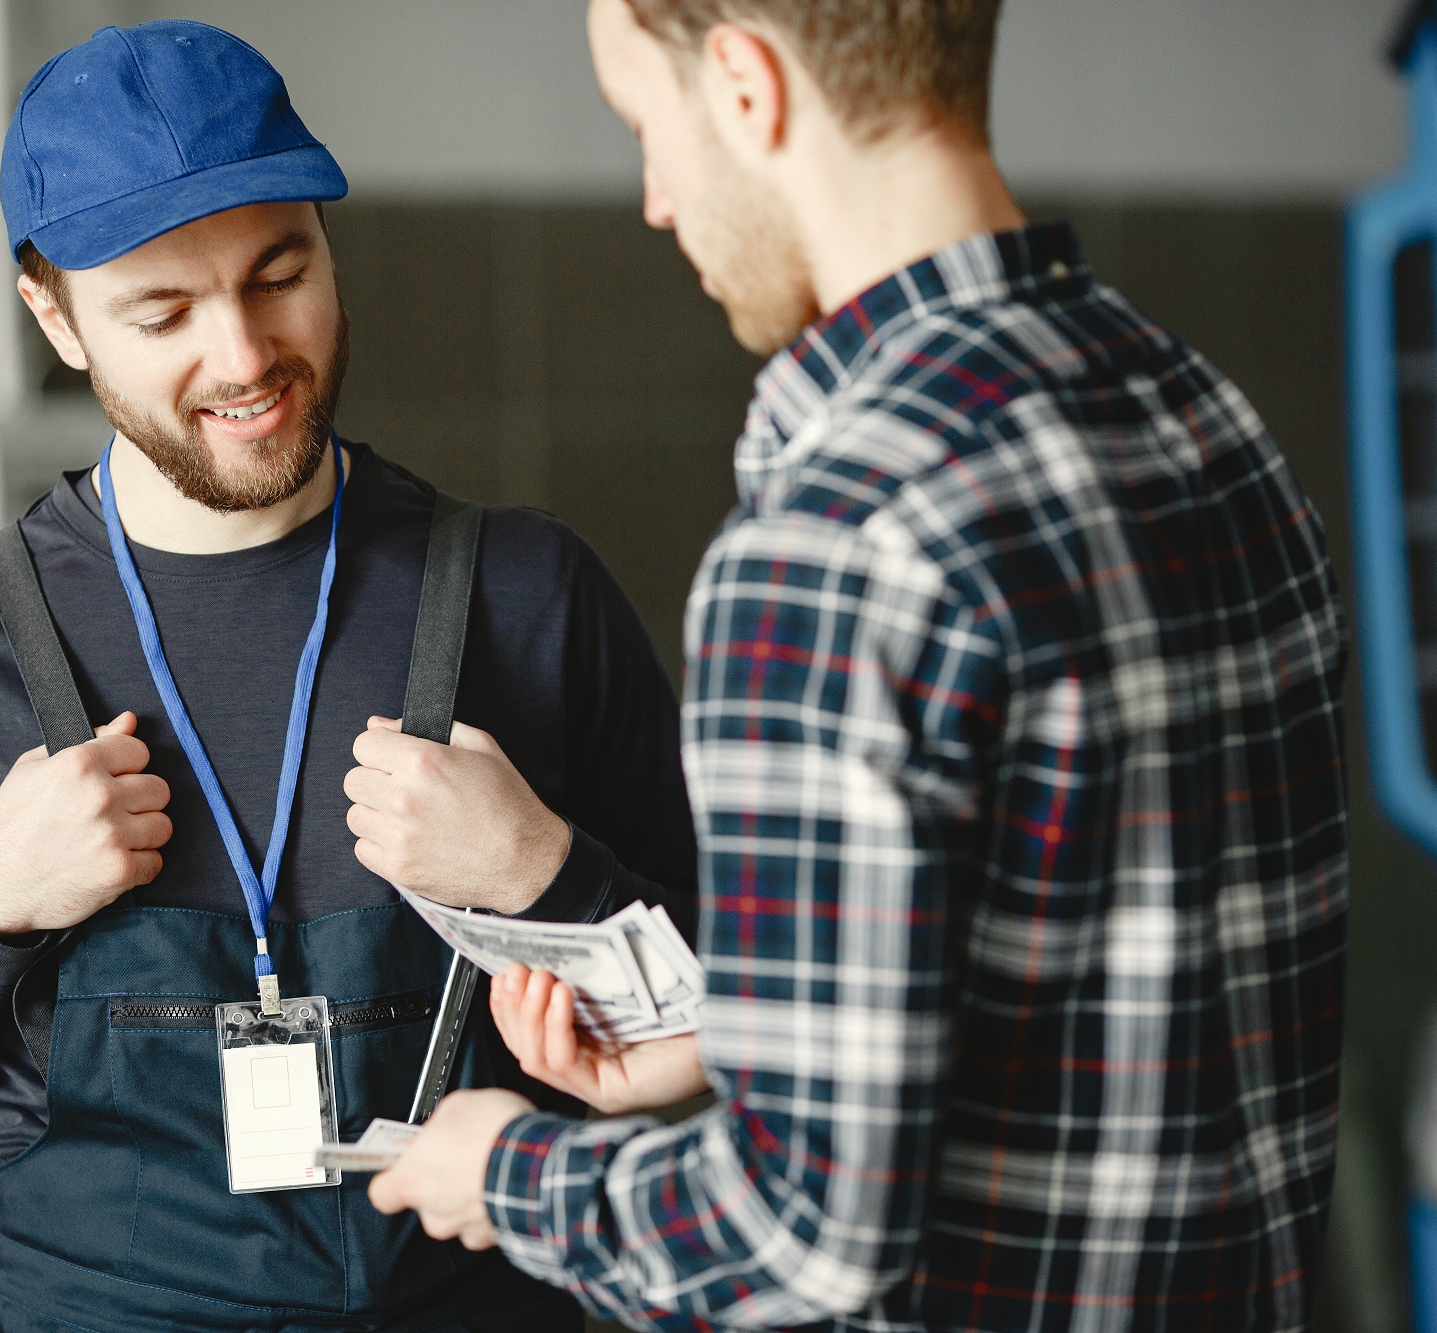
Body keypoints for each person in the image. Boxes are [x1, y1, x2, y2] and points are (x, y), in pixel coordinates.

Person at [367, 2, 1351, 1329]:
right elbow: (1106, 991)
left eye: (648, 128)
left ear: (747, 84)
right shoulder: (1203, 417)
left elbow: (806, 1236)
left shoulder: (839, 539)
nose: (657, 200)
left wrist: (510, 1170)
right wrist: (733, 1049)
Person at [0, 20, 696, 1332]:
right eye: (162, 312)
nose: (243, 358)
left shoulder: (531, 595)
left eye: (279, 273)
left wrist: (551, 873)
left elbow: (763, 1028)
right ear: (54, 315)